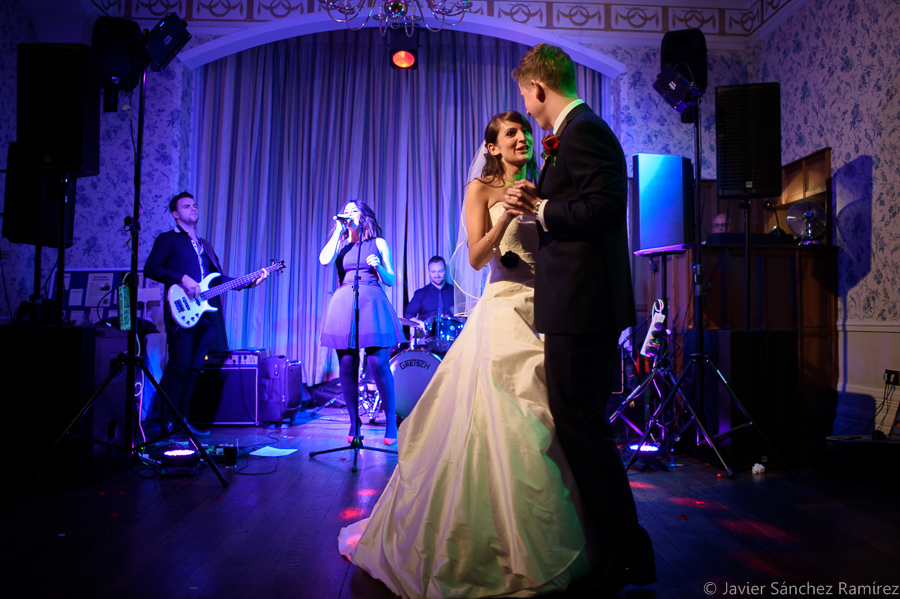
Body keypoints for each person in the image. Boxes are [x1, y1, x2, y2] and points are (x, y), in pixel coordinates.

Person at [338, 111, 591, 597]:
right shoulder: (481, 189)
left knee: (550, 419)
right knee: (507, 421)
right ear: (492, 147)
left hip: (547, 313)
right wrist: (510, 217)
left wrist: (539, 207)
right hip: (502, 310)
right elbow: (475, 257)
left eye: (524, 132)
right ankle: (495, 542)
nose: (522, 138)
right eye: (510, 134)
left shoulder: (543, 185)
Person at [503, 43, 656, 593]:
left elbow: (606, 210)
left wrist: (541, 209)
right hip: (578, 303)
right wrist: (538, 198)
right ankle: (616, 545)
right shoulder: (570, 136)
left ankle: (626, 552)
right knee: (580, 423)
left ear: (538, 89)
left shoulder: (585, 130)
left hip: (583, 305)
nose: (526, 103)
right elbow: (581, 203)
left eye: (525, 93)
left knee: (581, 425)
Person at [144, 191, 267, 437]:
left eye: (195, 205)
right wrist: (182, 278)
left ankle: (182, 420)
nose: (193, 208)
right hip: (182, 311)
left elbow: (218, 279)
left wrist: (249, 282)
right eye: (187, 206)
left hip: (207, 316)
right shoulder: (168, 239)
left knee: (195, 367)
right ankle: (165, 422)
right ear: (176, 214)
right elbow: (151, 268)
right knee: (179, 365)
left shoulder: (205, 245)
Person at [319, 200, 401, 445]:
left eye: (353, 209)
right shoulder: (341, 246)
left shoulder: (379, 243)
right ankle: (354, 424)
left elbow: (391, 280)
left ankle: (391, 423)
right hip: (345, 302)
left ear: (364, 216)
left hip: (372, 302)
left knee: (379, 364)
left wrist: (378, 268)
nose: (349, 213)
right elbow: (324, 260)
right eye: (346, 209)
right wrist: (337, 231)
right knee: (347, 365)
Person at [403, 255, 456, 333]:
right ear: (429, 272)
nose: (437, 275)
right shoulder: (421, 294)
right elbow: (408, 316)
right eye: (433, 272)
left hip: (453, 336)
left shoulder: (455, 292)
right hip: (429, 338)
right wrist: (420, 323)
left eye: (440, 271)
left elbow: (466, 312)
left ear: (446, 270)